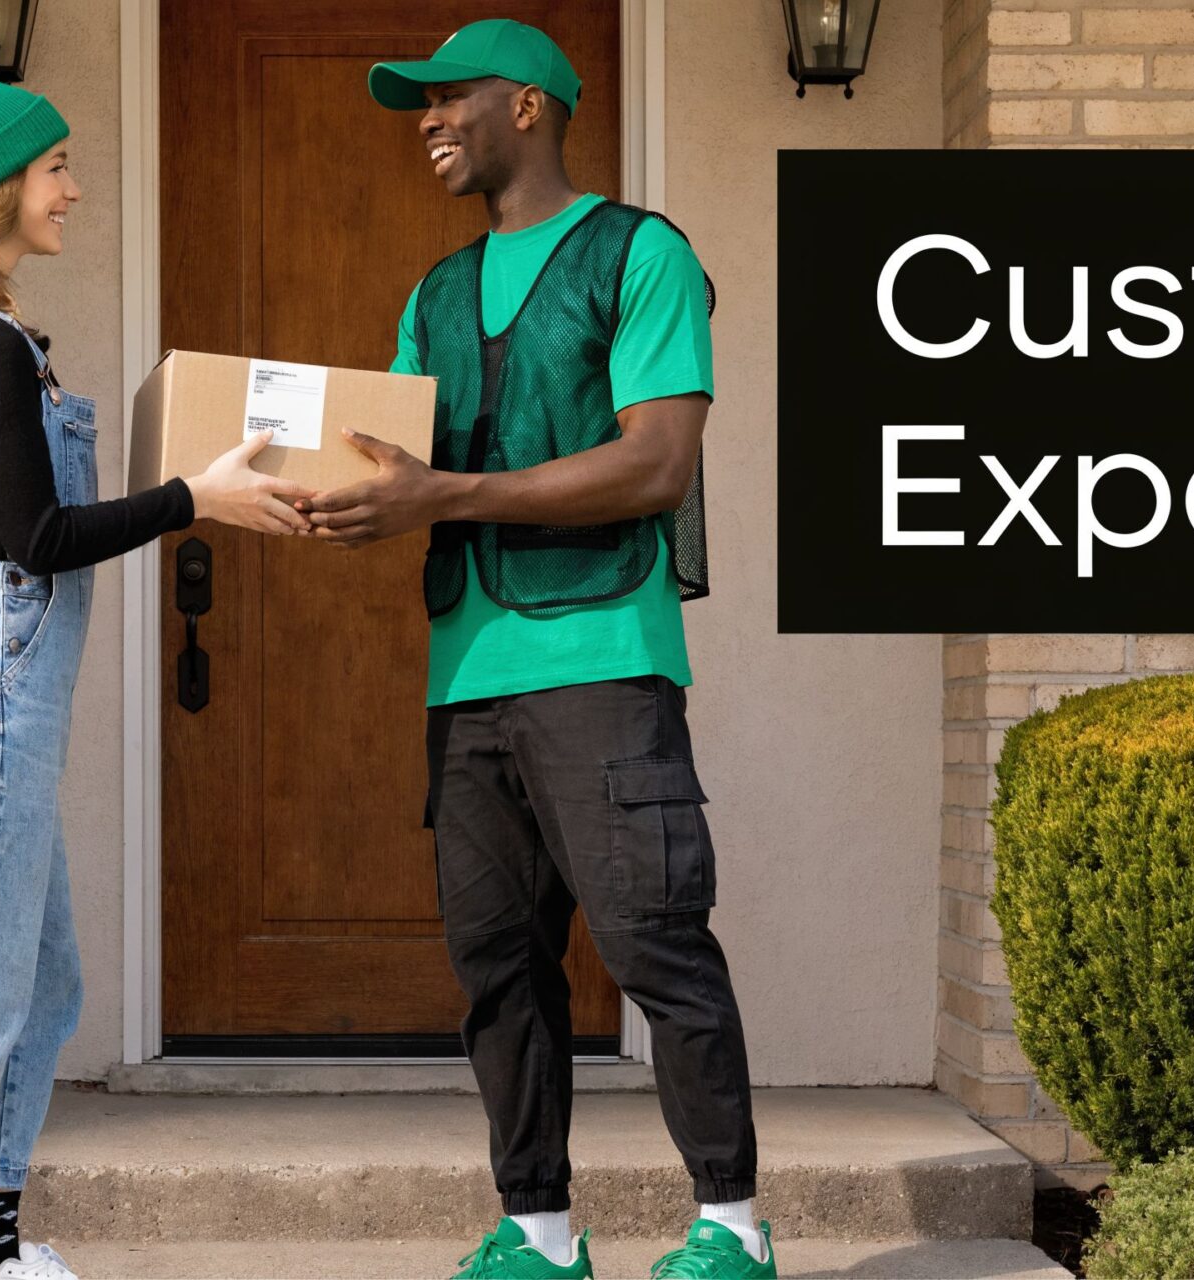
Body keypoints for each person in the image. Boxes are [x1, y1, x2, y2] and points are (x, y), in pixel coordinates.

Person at [299, 19, 766, 1280]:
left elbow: (657, 461)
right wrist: (309, 491)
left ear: (529, 105)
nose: (427, 120)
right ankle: (541, 1233)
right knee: (497, 968)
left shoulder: (640, 253)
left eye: (449, 98)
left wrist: (440, 496)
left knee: (656, 941)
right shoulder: (433, 295)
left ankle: (729, 1222)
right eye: (419, 104)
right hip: (467, 680)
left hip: (602, 663)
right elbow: (393, 470)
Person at [0, 63, 307, 1280]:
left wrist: (188, 481)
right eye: (56, 169)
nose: (75, 189)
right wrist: (192, 499)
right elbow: (34, 541)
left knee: (36, 970)